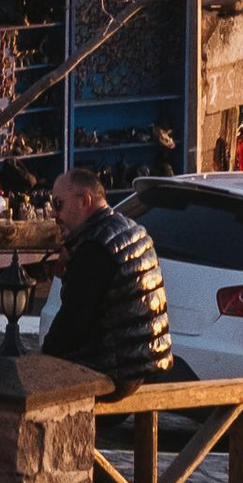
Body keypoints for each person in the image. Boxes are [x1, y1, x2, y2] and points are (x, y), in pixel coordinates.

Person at [44, 168, 171, 392]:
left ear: (84, 201)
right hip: (139, 366)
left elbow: (73, 322)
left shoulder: (96, 247)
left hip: (111, 371)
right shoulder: (132, 229)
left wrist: (40, 362)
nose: (55, 214)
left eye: (58, 204)